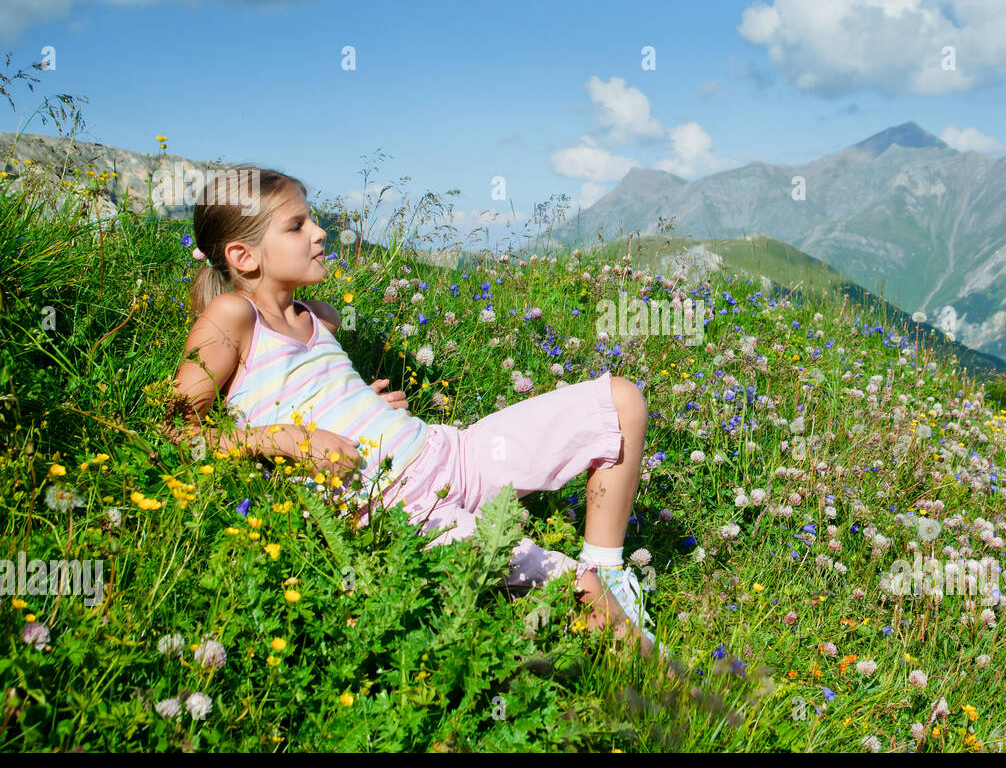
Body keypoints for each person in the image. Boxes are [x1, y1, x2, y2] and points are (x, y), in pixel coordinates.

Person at [162, 165, 664, 657]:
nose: (319, 232)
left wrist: (363, 406)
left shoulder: (321, 317)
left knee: (621, 400)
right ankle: (673, 687)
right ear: (243, 256)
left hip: (451, 453)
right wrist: (285, 439)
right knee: (581, 594)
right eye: (297, 226)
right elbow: (175, 430)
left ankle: (611, 570)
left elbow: (312, 388)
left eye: (311, 218)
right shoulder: (232, 316)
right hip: (403, 508)